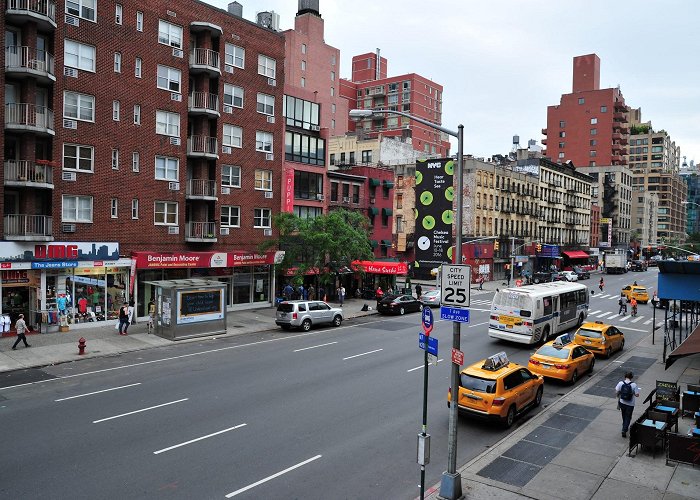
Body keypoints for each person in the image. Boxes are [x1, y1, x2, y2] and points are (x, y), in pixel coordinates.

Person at [615, 371, 640, 437]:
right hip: (630, 404)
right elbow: (637, 395)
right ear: (631, 377)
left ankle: (624, 426)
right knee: (628, 417)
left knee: (624, 415)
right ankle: (624, 429)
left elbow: (617, 391)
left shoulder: (620, 383)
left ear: (625, 376)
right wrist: (633, 393)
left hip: (622, 402)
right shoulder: (634, 385)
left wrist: (619, 395)